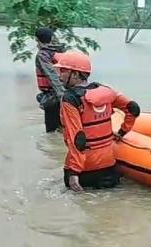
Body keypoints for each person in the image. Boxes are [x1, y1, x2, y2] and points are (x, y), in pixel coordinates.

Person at [54, 51, 141, 192]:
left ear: (75, 74)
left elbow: (77, 138)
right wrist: (123, 131)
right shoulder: (106, 91)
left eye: (63, 71)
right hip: (108, 168)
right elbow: (133, 108)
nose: (59, 75)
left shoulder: (70, 99)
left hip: (83, 171)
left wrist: (74, 172)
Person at [34, 27, 66, 133]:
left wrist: (62, 96)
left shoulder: (42, 55)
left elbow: (51, 75)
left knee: (52, 133)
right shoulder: (60, 52)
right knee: (63, 128)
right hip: (66, 93)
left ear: (37, 40)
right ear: (52, 38)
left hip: (54, 97)